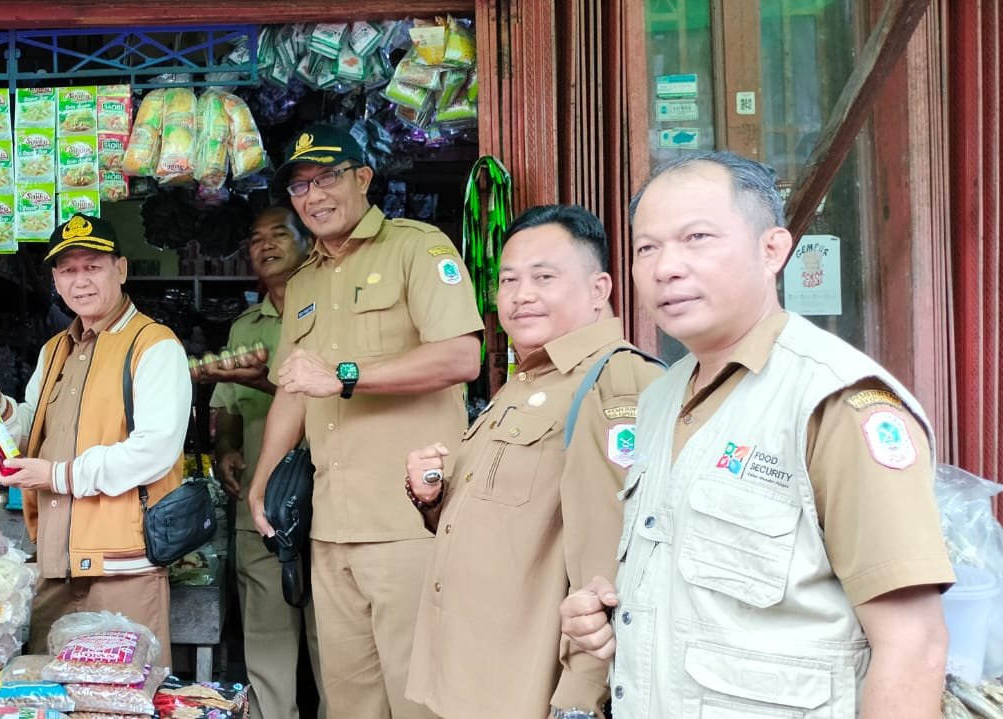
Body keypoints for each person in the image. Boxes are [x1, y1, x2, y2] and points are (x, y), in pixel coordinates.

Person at [558, 151, 953, 718]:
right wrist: (610, 617)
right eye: (647, 248)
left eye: (697, 237)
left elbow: (914, 646)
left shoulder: (834, 401)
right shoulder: (658, 400)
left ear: (773, 250)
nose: (666, 267)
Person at [245, 124, 483, 719]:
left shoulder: (417, 247)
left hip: (409, 521)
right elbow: (291, 393)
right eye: (300, 186)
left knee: (419, 697)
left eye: (326, 177)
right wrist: (263, 480)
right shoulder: (303, 283)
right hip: (328, 528)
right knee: (348, 701)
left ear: (362, 178)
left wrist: (346, 374)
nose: (314, 196)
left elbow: (462, 357)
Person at [400, 205, 663, 719]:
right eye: (509, 280)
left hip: (528, 689)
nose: (521, 296)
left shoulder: (614, 384)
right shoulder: (525, 382)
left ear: (599, 289)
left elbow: (612, 565)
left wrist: (580, 699)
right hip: (471, 673)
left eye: (544, 277)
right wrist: (430, 496)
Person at [0, 213, 190, 667]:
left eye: (92, 266)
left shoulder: (154, 345)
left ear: (120, 269)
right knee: (51, 698)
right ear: (55, 279)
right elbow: (33, 430)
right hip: (56, 564)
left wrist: (57, 476)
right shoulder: (55, 348)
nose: (80, 281)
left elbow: (156, 450)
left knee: (124, 699)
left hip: (123, 569)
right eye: (67, 270)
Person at [206, 206, 324, 719]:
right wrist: (225, 448)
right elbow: (226, 411)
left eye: (280, 233)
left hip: (327, 500)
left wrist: (262, 381)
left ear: (308, 241)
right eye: (255, 238)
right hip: (260, 508)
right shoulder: (244, 328)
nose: (266, 244)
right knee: (267, 644)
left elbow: (339, 394)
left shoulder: (331, 310)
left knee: (337, 646)